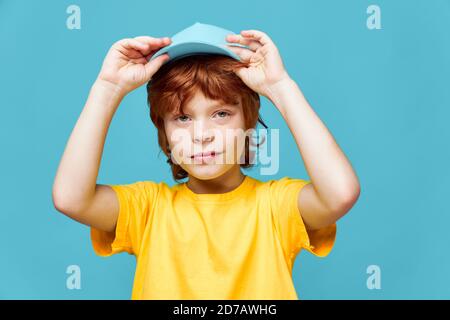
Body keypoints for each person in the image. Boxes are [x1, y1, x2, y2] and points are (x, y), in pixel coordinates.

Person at [52, 29, 360, 299]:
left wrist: (281, 87)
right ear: (165, 134)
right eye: (183, 118)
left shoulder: (275, 207)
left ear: (249, 122)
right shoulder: (148, 209)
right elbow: (70, 198)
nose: (201, 136)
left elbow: (340, 193)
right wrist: (107, 89)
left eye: (221, 114)